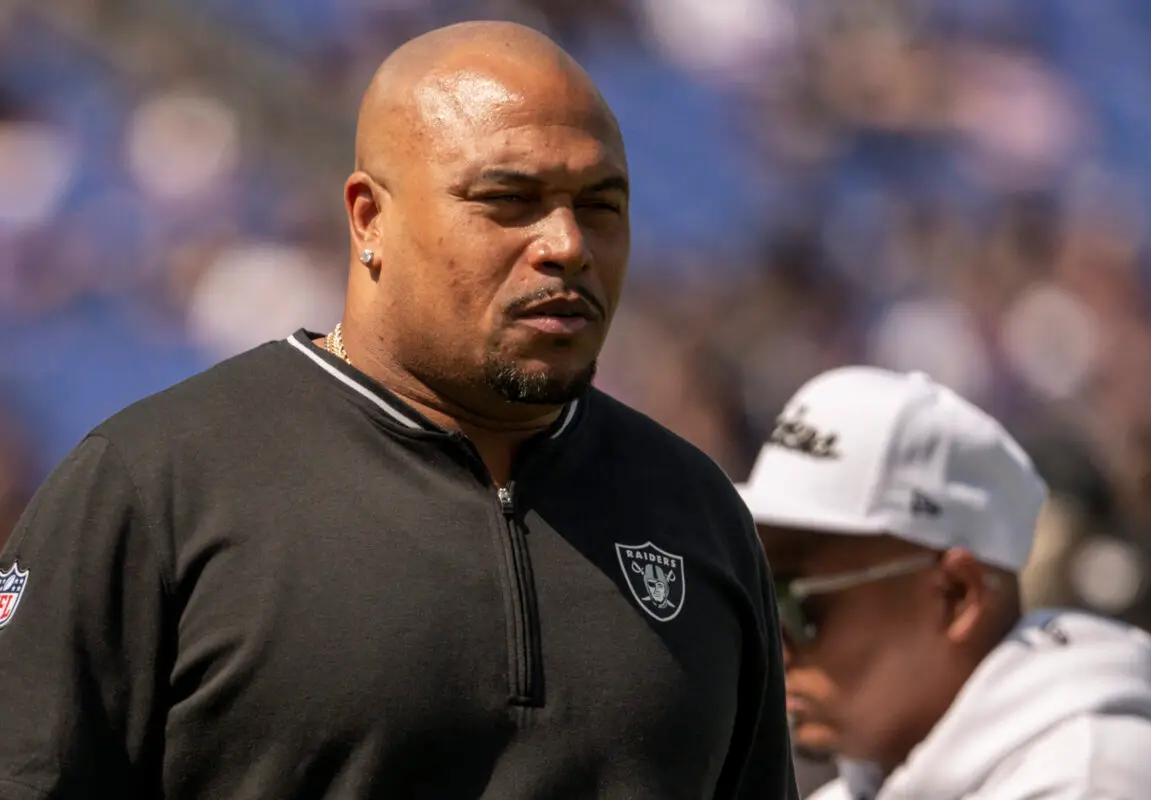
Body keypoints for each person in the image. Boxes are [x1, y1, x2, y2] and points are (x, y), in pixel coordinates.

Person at [0, 22, 795, 800]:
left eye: (600, 206)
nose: (566, 243)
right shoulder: (156, 487)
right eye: (508, 199)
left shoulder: (698, 514)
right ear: (368, 219)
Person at [735, 366, 1151, 799]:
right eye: (755, 598)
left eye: (793, 604)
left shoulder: (1097, 780)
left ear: (957, 595)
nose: (774, 646)